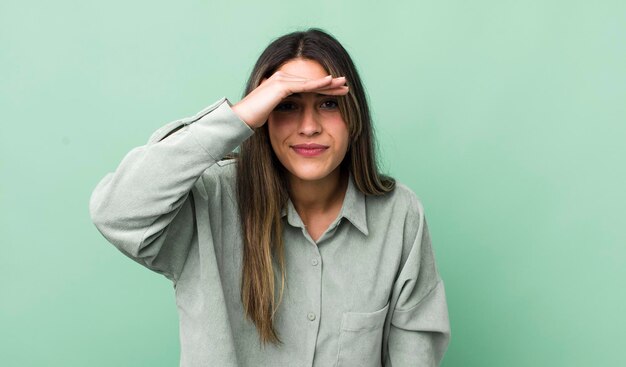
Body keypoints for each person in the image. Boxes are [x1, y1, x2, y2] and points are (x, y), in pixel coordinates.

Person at [89, 28, 451, 367]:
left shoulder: (399, 214)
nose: (309, 127)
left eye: (328, 104)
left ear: (354, 116)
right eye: (287, 105)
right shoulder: (210, 199)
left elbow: (414, 352)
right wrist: (238, 117)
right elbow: (117, 212)